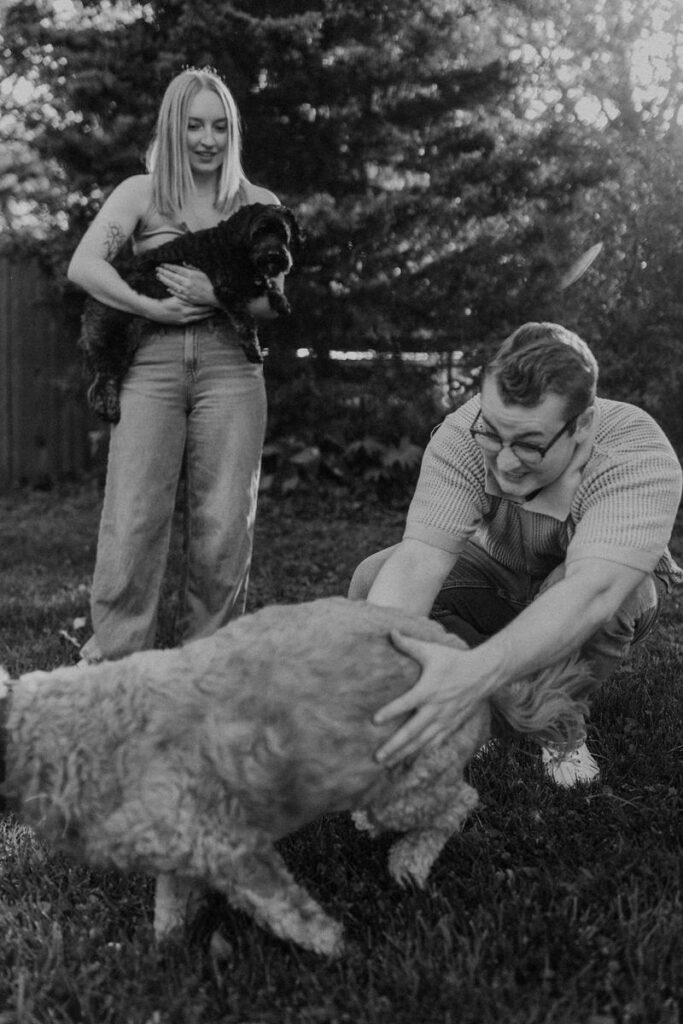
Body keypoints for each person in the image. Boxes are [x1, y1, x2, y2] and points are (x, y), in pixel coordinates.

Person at [349, 322, 683, 786]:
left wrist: (472, 675)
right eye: (492, 434)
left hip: (598, 592)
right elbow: (417, 563)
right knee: (375, 576)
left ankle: (558, 727)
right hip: (499, 577)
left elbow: (594, 592)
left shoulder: (634, 452)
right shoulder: (463, 431)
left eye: (529, 444)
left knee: (604, 593)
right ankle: (476, 715)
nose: (504, 461)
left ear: (582, 425)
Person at [68, 67, 283, 661]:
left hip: (231, 369)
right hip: (150, 367)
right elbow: (85, 266)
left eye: (219, 126)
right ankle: (113, 665)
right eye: (194, 126)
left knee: (222, 526)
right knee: (133, 518)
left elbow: (273, 299)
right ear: (174, 126)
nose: (207, 140)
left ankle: (207, 669)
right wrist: (151, 309)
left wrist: (215, 296)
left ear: (232, 131)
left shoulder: (258, 204)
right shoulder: (142, 193)